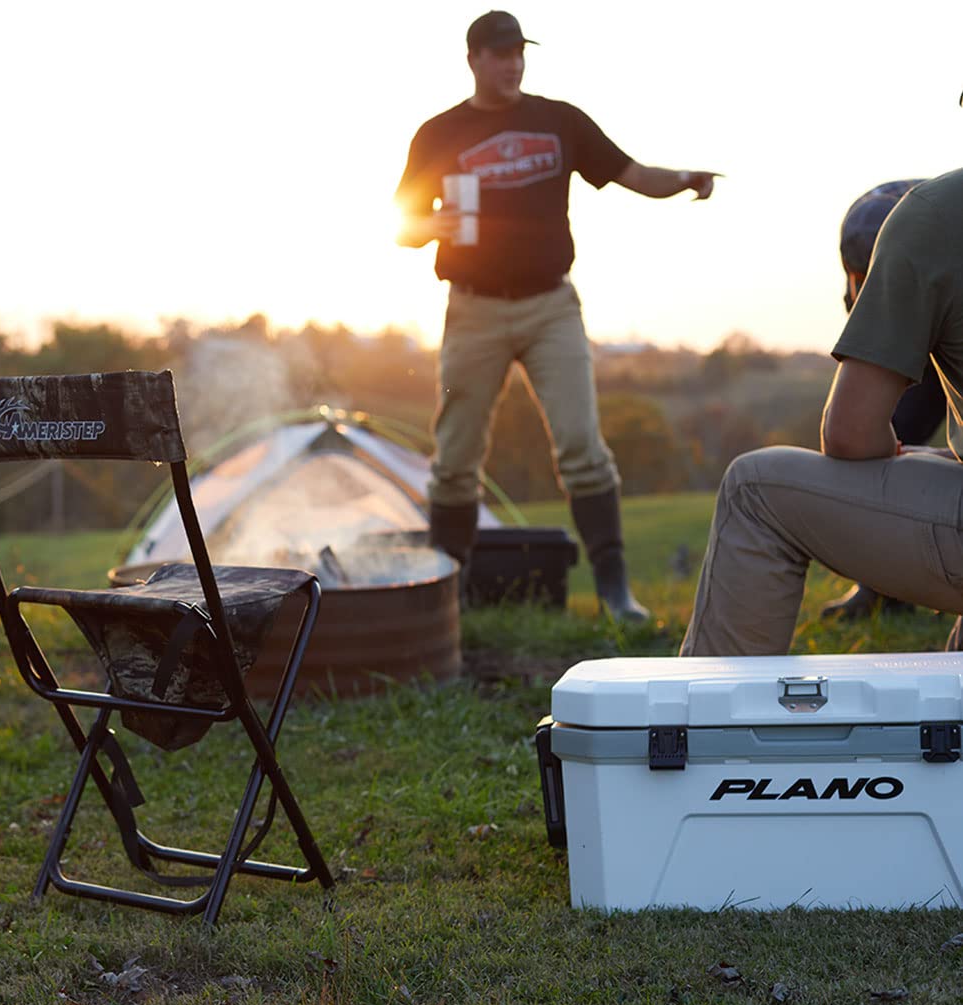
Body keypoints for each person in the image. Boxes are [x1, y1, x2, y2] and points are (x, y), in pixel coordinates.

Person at [394, 10, 719, 622]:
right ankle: (450, 599)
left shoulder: (559, 120)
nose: (513, 62)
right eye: (500, 53)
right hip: (473, 312)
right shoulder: (438, 133)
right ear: (473, 60)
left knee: (581, 446)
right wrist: (433, 224)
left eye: (519, 52)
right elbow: (401, 226)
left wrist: (683, 180)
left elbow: (631, 173)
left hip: (551, 309)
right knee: (457, 459)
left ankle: (616, 595)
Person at [679, 168, 963, 657]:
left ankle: (706, 729)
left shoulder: (935, 212)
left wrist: (897, 455)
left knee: (755, 489)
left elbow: (850, 434)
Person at [817, 179, 948, 620]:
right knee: (886, 430)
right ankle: (879, 585)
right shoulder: (865, 235)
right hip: (920, 353)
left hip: (952, 338)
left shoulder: (931, 221)